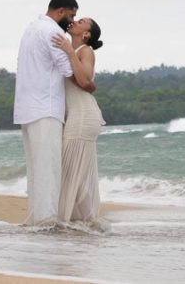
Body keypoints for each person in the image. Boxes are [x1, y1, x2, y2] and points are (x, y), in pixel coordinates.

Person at [13, 0, 94, 226]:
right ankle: (47, 222)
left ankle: (38, 220)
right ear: (60, 11)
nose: (71, 21)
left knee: (37, 171)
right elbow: (72, 74)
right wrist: (71, 53)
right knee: (49, 170)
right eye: (71, 15)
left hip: (27, 109)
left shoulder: (31, 29)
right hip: (46, 108)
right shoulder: (54, 33)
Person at [52, 17, 107, 227]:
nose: (76, 20)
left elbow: (85, 79)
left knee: (68, 171)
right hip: (76, 115)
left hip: (84, 116)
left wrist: (68, 50)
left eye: (82, 21)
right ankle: (80, 221)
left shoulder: (85, 50)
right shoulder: (71, 51)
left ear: (86, 34)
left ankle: (66, 221)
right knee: (75, 173)